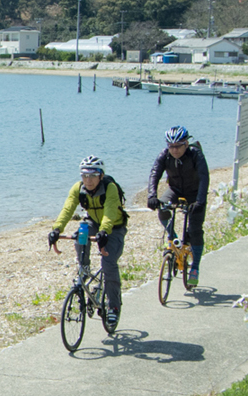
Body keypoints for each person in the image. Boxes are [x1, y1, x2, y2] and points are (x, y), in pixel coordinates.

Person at [49, 155, 128, 329]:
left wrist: (104, 232)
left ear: (101, 175)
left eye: (93, 175)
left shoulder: (110, 188)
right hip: (93, 222)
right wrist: (56, 229)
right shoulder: (78, 189)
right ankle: (84, 269)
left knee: (109, 265)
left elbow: (109, 213)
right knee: (79, 235)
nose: (88, 180)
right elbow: (68, 209)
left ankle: (114, 306)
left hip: (114, 227)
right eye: (84, 175)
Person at [144, 125, 209, 288]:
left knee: (195, 229)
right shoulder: (164, 156)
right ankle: (173, 238)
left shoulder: (196, 155)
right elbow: (154, 174)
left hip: (195, 193)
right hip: (175, 189)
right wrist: (152, 196)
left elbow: (204, 177)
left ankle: (195, 267)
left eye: (178, 146)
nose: (174, 150)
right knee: (163, 210)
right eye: (171, 146)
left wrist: (200, 201)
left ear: (186, 144)